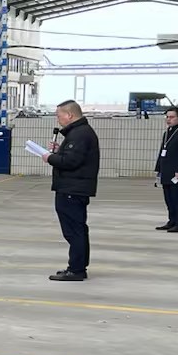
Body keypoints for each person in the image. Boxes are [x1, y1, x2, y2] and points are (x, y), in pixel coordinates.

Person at [41, 100, 100, 282]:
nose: (57, 119)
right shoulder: (79, 133)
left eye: (59, 116)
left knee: (74, 230)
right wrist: (61, 151)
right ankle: (76, 266)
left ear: (69, 115)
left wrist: (50, 158)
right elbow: (74, 156)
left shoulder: (79, 134)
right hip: (72, 187)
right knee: (76, 229)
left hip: (72, 189)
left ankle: (76, 269)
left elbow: (71, 162)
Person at [154, 105, 178, 233]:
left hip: (177, 173)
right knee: (169, 199)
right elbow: (162, 152)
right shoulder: (167, 133)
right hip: (166, 171)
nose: (168, 119)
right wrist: (158, 169)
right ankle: (172, 221)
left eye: (172, 117)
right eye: (167, 117)